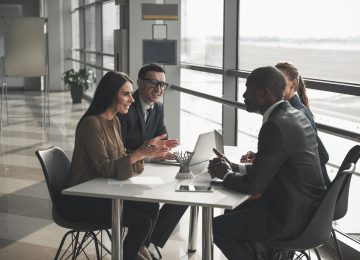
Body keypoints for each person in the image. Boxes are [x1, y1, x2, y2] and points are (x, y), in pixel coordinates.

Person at [208, 66, 326, 259]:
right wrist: (234, 167)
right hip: (310, 212)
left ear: (265, 93)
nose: (244, 95)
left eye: (248, 89)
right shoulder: (295, 115)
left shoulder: (274, 126)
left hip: (288, 216)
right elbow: (270, 168)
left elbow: (253, 186)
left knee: (217, 227)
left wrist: (226, 174)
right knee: (235, 212)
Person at [65, 71, 178, 260]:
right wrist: (140, 153)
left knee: (150, 207)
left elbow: (120, 159)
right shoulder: (92, 124)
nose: (131, 100)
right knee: (142, 221)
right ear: (110, 95)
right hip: (84, 198)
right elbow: (106, 168)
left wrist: (146, 151)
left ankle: (134, 251)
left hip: (103, 191)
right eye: (126, 94)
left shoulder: (114, 121)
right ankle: (130, 255)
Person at [118, 64, 188, 253]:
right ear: (139, 82)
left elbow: (161, 137)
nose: (158, 89)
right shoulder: (125, 108)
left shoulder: (157, 108)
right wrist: (149, 154)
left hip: (146, 169)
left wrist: (164, 151)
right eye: (153, 83)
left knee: (182, 196)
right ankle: (138, 247)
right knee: (152, 204)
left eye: (163, 85)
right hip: (126, 173)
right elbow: (118, 150)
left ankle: (142, 244)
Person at [240, 62, 330, 188]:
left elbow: (321, 156)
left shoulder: (294, 115)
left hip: (301, 191)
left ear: (293, 84)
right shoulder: (288, 112)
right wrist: (266, 156)